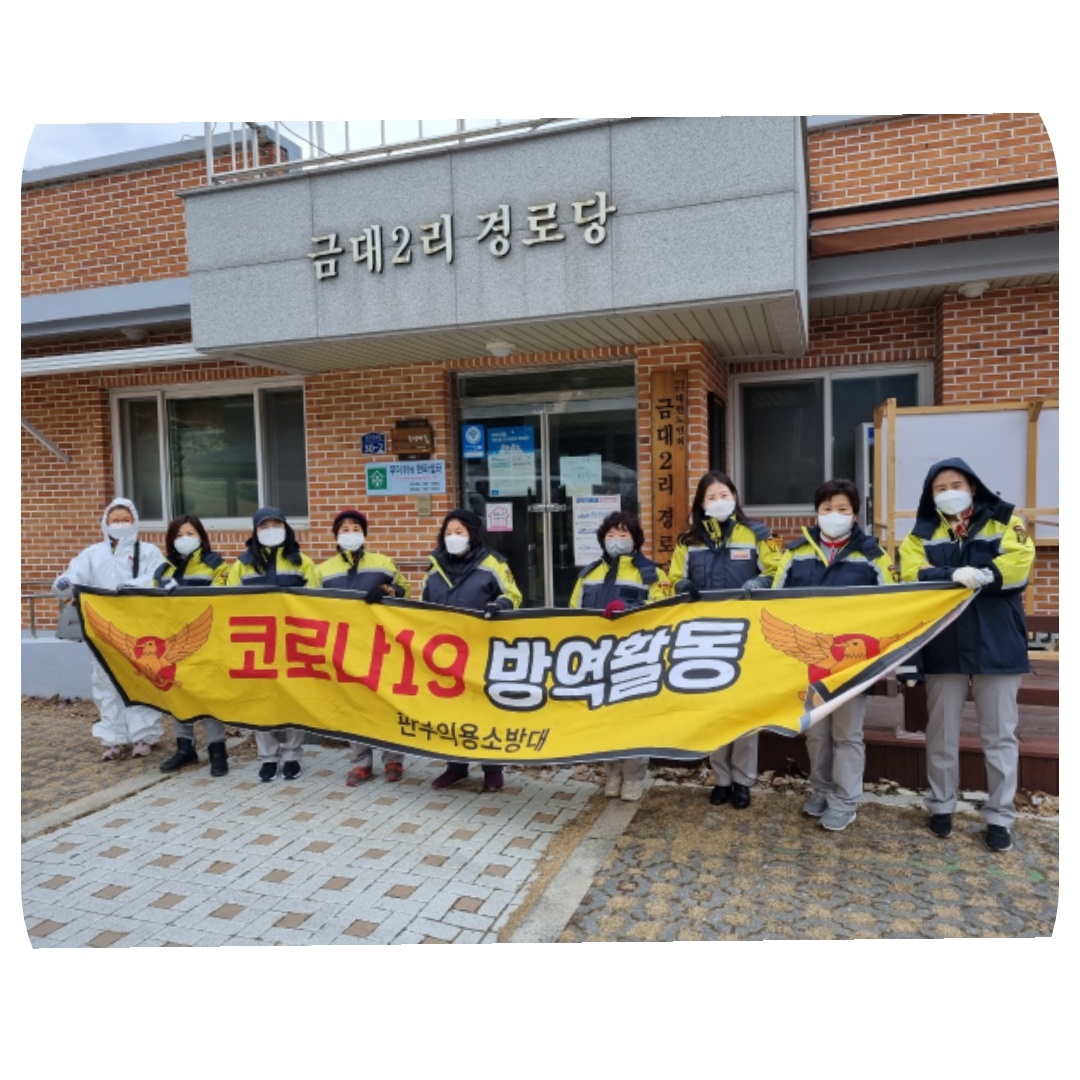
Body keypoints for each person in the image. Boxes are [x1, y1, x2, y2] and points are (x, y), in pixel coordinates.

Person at [899, 458, 1035, 853]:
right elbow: (910, 572)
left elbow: (1019, 564)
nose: (948, 493)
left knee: (1000, 735)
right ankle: (941, 806)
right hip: (944, 644)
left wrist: (984, 575)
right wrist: (950, 575)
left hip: (998, 643)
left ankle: (1000, 816)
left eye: (955, 485)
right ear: (931, 495)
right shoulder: (921, 533)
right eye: (939, 488)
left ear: (973, 487)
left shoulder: (1005, 521)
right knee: (941, 732)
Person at [772, 478, 897, 832]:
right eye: (827, 508)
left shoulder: (873, 556)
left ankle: (845, 801)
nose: (834, 515)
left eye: (842, 509)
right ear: (817, 512)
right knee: (816, 734)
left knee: (847, 734)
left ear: (855, 514)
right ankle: (821, 790)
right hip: (810, 662)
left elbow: (895, 605)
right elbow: (775, 599)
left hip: (853, 664)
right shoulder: (796, 552)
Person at [668, 471, 783, 809]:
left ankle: (743, 780)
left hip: (748, 636)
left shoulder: (757, 533)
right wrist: (681, 586)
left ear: (734, 497)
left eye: (724, 494)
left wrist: (760, 583)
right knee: (716, 709)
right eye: (711, 497)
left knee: (745, 710)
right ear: (701, 504)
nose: (719, 501)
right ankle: (721, 777)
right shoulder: (688, 541)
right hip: (705, 636)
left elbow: (778, 570)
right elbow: (672, 579)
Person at [52, 497, 166, 761]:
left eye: (126, 519)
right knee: (105, 682)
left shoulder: (148, 552)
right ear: (105, 523)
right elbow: (75, 575)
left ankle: (143, 736)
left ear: (134, 522)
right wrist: (65, 583)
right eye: (115, 520)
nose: (120, 524)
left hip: (138, 629)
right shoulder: (93, 554)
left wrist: (131, 587)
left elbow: (157, 577)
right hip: (102, 630)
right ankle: (113, 739)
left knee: (139, 680)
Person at [570, 510, 671, 801]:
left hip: (636, 659)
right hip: (598, 660)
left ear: (635, 539)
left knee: (635, 721)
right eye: (611, 534)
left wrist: (629, 609)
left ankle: (634, 777)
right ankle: (612, 773)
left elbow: (665, 611)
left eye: (623, 534)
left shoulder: (651, 573)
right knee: (606, 721)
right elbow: (572, 614)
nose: (616, 539)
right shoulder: (588, 574)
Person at [421, 508, 522, 791]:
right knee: (451, 712)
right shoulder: (435, 567)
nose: (452, 537)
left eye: (459, 532)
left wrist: (499, 605)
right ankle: (455, 767)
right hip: (446, 655)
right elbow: (421, 607)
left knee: (484, 710)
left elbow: (513, 595)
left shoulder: (493, 563)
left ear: (472, 535)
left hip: (482, 651)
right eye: (448, 532)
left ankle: (492, 770)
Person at [225, 506, 322, 781]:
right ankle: (267, 757)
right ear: (255, 531)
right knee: (260, 701)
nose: (270, 530)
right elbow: (228, 603)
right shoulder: (242, 565)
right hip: (256, 644)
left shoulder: (302, 563)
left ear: (286, 528)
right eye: (264, 526)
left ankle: (292, 755)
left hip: (294, 642)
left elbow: (317, 602)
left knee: (294, 699)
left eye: (276, 525)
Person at [317, 509, 411, 785]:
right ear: (335, 536)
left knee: (387, 703)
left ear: (365, 533)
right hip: (344, 647)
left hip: (382, 646)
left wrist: (388, 590)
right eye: (344, 529)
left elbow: (405, 591)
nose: (350, 533)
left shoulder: (383, 563)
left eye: (355, 528)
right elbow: (310, 606)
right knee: (353, 704)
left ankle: (393, 759)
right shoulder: (322, 571)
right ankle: (362, 762)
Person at [153, 514, 232, 776]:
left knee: (206, 695)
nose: (184, 539)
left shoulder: (216, 566)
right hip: (172, 643)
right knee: (177, 695)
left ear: (201, 536)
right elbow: (150, 606)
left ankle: (217, 750)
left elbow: (222, 600)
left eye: (190, 534)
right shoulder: (163, 570)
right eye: (178, 535)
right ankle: (185, 747)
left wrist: (185, 597)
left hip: (206, 642)